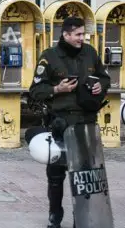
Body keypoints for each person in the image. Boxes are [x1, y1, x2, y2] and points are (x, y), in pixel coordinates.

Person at [28, 16, 110, 228]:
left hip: (86, 124)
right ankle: (55, 215)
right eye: (78, 35)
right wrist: (57, 89)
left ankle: (80, 218)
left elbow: (104, 77)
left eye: (83, 34)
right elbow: (35, 91)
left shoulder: (90, 52)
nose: (82, 38)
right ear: (65, 35)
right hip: (61, 124)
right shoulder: (50, 57)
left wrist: (101, 85)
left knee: (83, 175)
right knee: (56, 176)